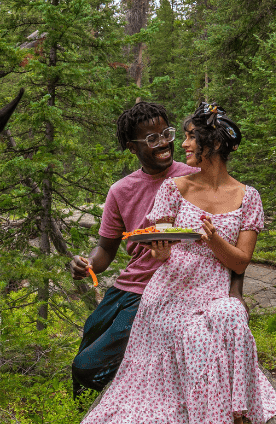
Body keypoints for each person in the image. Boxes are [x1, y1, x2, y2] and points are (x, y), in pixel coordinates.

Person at [75, 103, 276, 424]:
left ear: (213, 144)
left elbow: (239, 262)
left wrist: (211, 238)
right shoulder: (166, 189)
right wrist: (160, 246)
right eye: (176, 135)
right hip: (163, 290)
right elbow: (154, 254)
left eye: (186, 136)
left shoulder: (246, 196)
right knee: (183, 340)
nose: (180, 143)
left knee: (232, 316)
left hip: (212, 288)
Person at [69, 102, 198, 398]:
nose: (164, 143)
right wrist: (86, 264)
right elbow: (104, 251)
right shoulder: (121, 190)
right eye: (152, 139)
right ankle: (87, 409)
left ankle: (137, 388)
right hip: (129, 286)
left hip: (166, 287)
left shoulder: (194, 176)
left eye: (166, 133)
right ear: (132, 147)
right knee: (91, 332)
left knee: (88, 366)